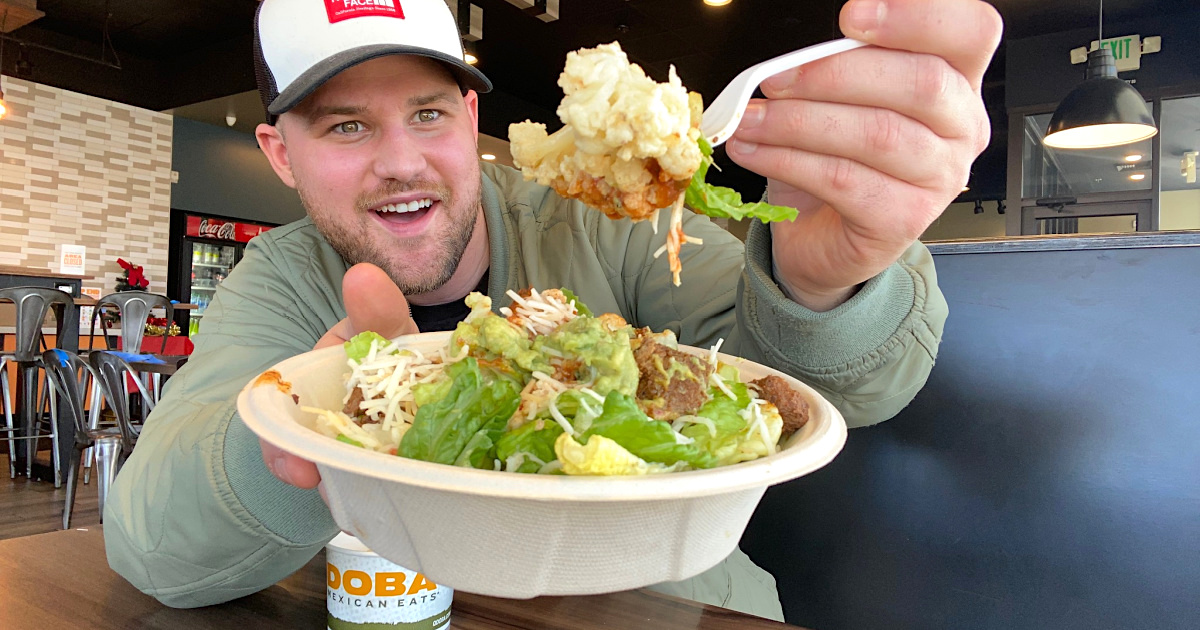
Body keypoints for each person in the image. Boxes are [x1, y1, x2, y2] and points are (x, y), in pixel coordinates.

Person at [104, 0, 1000, 621]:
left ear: (466, 114)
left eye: (426, 114)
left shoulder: (602, 219)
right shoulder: (281, 277)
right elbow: (154, 552)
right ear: (279, 154)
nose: (402, 162)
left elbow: (838, 389)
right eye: (345, 126)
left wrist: (818, 285)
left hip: (675, 612)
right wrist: (310, 425)